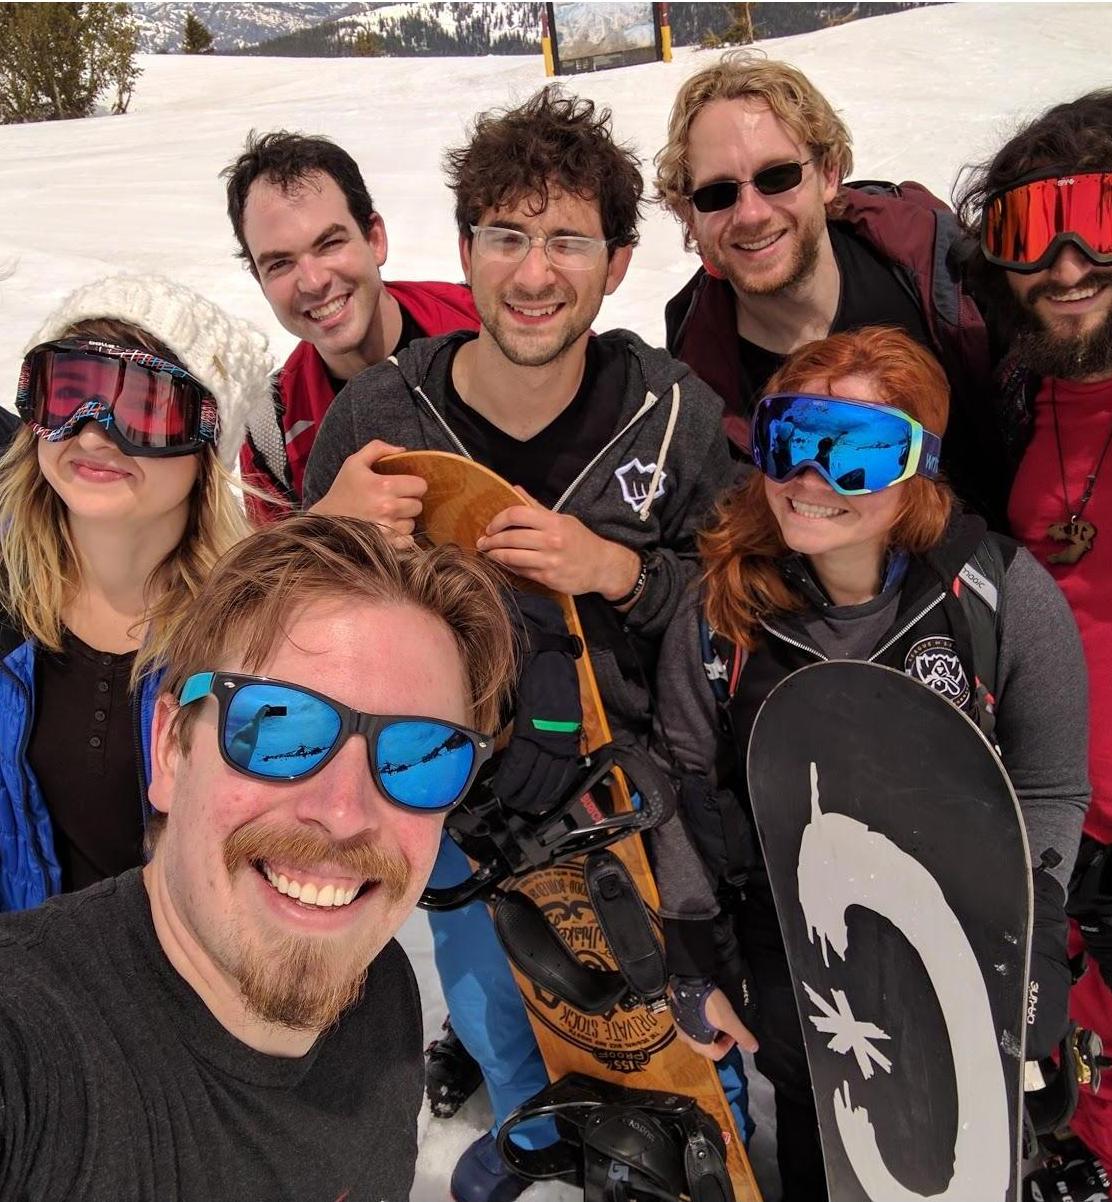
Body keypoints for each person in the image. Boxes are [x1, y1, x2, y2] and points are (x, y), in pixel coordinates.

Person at [303, 86, 736, 1202]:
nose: (532, 272)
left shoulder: (670, 412)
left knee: (654, 1021)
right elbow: (301, 623)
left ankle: (676, 1156)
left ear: (619, 259)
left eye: (563, 239)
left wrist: (620, 572)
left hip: (630, 793)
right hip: (454, 790)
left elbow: (741, 605)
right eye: (504, 236)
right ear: (464, 247)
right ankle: (542, 1134)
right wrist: (326, 536)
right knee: (492, 996)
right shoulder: (383, 419)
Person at [649, 326, 1089, 1199]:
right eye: (789, 441)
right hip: (803, 964)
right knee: (829, 1157)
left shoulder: (995, 594)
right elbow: (684, 791)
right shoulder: (718, 615)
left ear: (918, 464)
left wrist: (1027, 938)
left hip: (959, 958)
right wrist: (696, 963)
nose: (811, 480)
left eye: (857, 453)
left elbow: (1048, 785)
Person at [0, 513, 517, 1201]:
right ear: (170, 749)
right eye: (280, 728)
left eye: (419, 756)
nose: (342, 812)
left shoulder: (381, 994)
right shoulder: (33, 1050)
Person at [956, 86, 1112, 1202]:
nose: (1062, 262)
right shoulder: (1013, 392)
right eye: (1024, 231)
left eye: (1105, 218)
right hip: (1071, 868)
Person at [0, 274, 268, 912]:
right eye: (69, 394)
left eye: (144, 410)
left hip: (175, 997)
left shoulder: (253, 637)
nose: (93, 434)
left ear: (209, 443)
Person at [654, 49, 1007, 526]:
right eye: (717, 193)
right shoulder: (695, 379)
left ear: (829, 174)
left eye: (777, 177)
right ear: (688, 216)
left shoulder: (939, 269)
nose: (752, 214)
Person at [222, 130, 479, 517]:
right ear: (260, 281)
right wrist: (326, 528)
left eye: (329, 244)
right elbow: (268, 574)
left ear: (374, 238)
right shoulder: (272, 428)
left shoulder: (483, 320)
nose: (313, 281)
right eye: (280, 264)